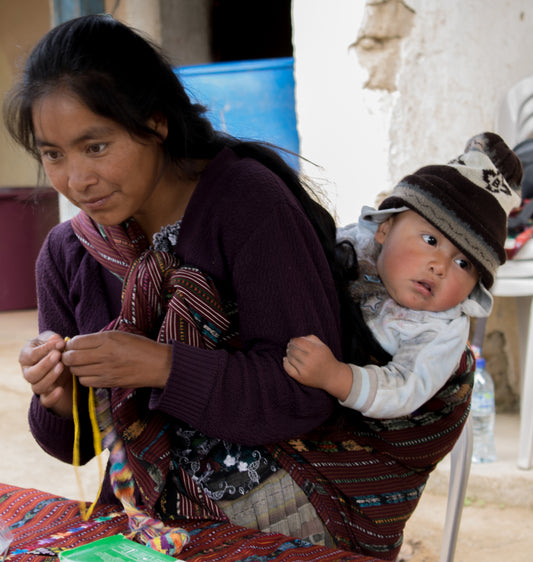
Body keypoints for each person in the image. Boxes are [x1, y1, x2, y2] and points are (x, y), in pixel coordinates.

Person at [2, 14, 479, 561]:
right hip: (145, 514)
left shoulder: (249, 207)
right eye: (53, 154)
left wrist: (162, 366)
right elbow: (77, 450)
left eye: (96, 146)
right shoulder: (71, 255)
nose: (76, 180)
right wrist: (58, 398)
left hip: (289, 504)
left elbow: (303, 398)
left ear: (155, 122)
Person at [284, 132, 522, 418]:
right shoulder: (357, 244)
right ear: (384, 228)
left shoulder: (436, 328)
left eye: (463, 263)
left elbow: (404, 387)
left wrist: (336, 377)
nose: (440, 267)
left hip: (351, 406)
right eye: (431, 241)